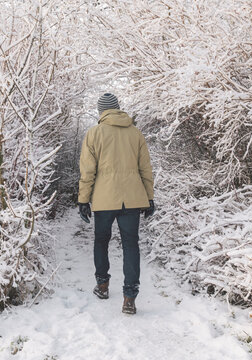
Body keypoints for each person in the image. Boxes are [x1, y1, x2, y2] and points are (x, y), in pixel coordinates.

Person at [78, 93, 155, 315]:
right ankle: (129, 298)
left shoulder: (94, 134)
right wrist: (149, 197)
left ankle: (102, 285)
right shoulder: (136, 133)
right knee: (131, 244)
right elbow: (145, 169)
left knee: (101, 241)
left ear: (101, 111)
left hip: (104, 199)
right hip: (132, 198)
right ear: (118, 109)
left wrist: (83, 200)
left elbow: (87, 171)